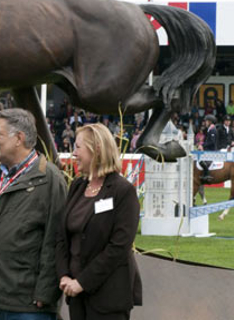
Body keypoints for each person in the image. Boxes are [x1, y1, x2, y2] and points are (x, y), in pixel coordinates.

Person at [0, 108, 67, 319]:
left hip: (28, 305)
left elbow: (56, 239)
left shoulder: (50, 179)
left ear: (19, 138)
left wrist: (46, 292)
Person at [56, 123, 141, 320]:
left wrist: (82, 282)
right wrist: (64, 275)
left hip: (108, 299)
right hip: (76, 295)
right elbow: (61, 236)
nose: (73, 154)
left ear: (97, 149)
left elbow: (119, 246)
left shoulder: (123, 191)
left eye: (78, 147)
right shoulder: (77, 186)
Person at [199, 115, 218, 181]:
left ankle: (207, 175)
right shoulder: (209, 129)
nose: (205, 123)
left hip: (211, 151)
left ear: (210, 122)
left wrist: (203, 146)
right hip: (208, 150)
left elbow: (212, 142)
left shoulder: (213, 130)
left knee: (202, 162)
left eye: (206, 121)